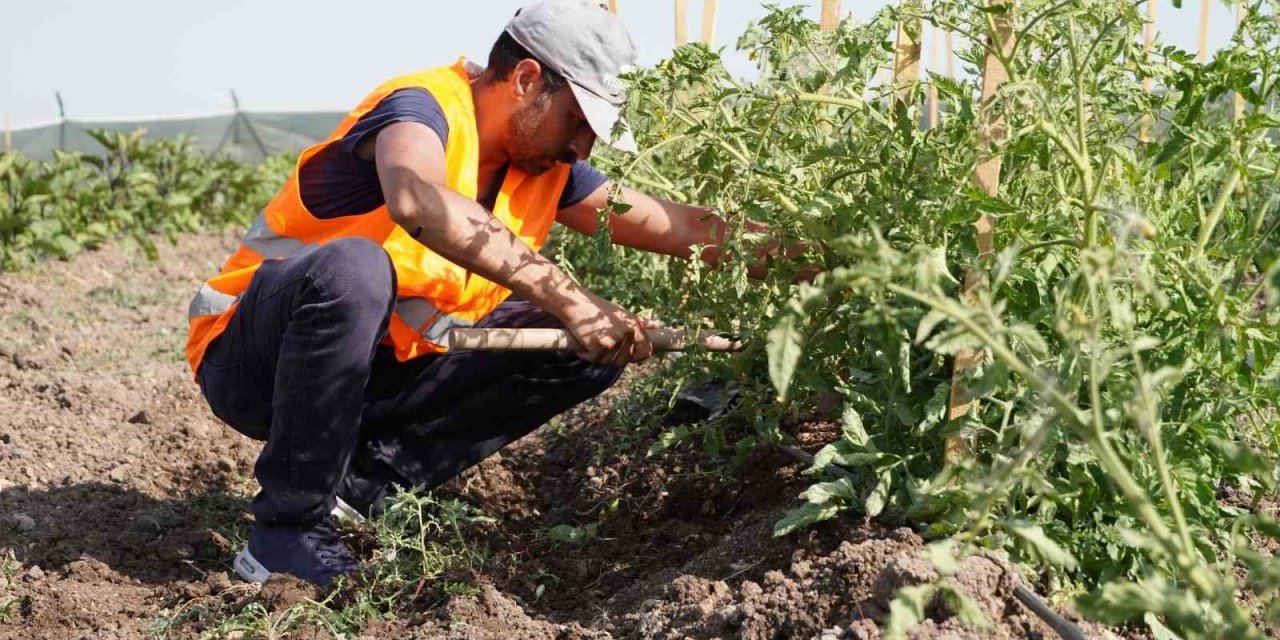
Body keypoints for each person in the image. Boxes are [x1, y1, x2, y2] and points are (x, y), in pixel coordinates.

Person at [185, 0, 780, 588]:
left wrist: (823, 255)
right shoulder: (419, 108)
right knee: (355, 269)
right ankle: (285, 533)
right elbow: (417, 199)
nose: (583, 148)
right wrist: (565, 296)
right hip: (255, 359)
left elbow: (677, 227)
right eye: (578, 121)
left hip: (379, 372)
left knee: (581, 345)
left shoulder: (546, 168)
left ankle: (358, 487)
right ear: (527, 79)